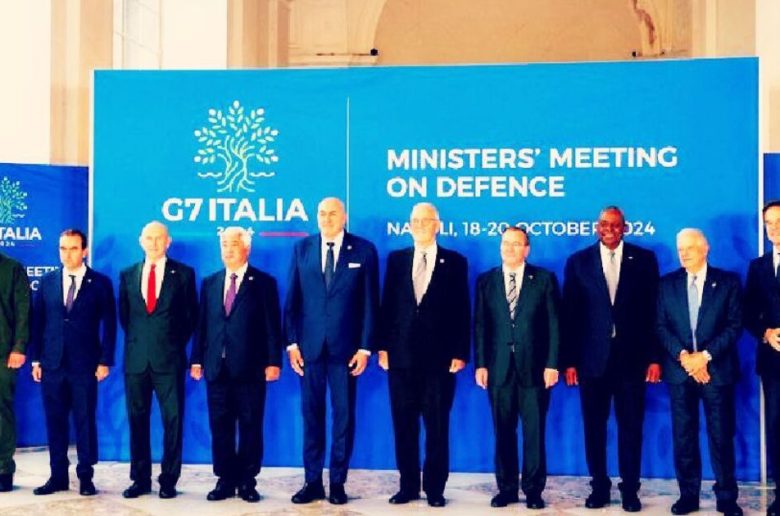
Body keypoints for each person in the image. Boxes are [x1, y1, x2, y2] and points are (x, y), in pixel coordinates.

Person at [562, 205, 660, 511]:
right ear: (597, 227)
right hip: (591, 362)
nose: (609, 229)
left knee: (631, 428)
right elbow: (570, 315)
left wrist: (654, 358)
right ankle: (599, 487)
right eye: (604, 224)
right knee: (594, 428)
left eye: (616, 225)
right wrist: (569, 361)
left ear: (625, 228)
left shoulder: (644, 260)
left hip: (632, 361)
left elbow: (653, 312)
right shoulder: (578, 261)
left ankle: (630, 490)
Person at [284, 197, 379, 505]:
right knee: (311, 417)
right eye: (322, 213)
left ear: (344, 216)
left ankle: (337, 482)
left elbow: (370, 303)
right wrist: (292, 344)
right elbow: (292, 301)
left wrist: (365, 348)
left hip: (346, 351)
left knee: (343, 418)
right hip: (309, 350)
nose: (327, 218)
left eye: (333, 213)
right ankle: (312, 482)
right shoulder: (302, 248)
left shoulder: (364, 250)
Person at [378, 202, 470, 508]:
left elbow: (462, 309)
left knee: (437, 426)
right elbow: (387, 306)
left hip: (439, 360)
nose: (419, 225)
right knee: (403, 426)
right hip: (400, 358)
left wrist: (460, 351)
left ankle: (434, 488)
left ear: (437, 225)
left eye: (426, 220)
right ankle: (407, 486)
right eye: (415, 220)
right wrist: (383, 347)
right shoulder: (396, 260)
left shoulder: (455, 262)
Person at [190, 227, 282, 503]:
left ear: (246, 248)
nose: (228, 250)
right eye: (224, 245)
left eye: (233, 244)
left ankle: (247, 481)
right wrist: (196, 359)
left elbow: (271, 325)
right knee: (220, 426)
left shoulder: (263, 283)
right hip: (216, 368)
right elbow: (202, 325)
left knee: (251, 425)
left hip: (250, 368)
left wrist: (273, 361)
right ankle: (225, 479)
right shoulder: (210, 283)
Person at [657, 228, 742, 516]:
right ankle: (688, 495)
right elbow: (660, 326)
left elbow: (734, 325)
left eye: (690, 248)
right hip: (680, 372)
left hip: (717, 371)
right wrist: (685, 358)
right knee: (684, 437)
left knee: (721, 435)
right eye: (680, 249)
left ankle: (727, 498)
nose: (684, 253)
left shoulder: (728, 282)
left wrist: (704, 358)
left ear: (705, 248)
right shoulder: (666, 284)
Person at [474, 227, 560, 509]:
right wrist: (481, 364)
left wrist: (552, 364)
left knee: (534, 433)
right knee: (503, 431)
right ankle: (507, 489)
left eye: (516, 244)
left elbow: (554, 324)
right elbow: (481, 326)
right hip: (498, 369)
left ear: (527, 249)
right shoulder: (486, 281)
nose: (509, 248)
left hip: (535, 369)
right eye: (505, 243)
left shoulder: (544, 279)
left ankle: (534, 490)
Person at [29, 229, 116, 496]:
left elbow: (110, 325)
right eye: (63, 249)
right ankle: (58, 476)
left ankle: (86, 477)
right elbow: (37, 323)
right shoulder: (47, 282)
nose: (67, 254)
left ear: (84, 251)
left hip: (85, 365)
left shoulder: (100, 283)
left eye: (73, 248)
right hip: (52, 364)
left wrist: (105, 360)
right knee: (55, 421)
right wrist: (36, 360)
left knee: (84, 421)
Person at [118, 221, 198, 499]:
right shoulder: (127, 274)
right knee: (137, 421)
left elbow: (191, 317)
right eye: (149, 238)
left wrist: (171, 343)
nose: (153, 243)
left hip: (170, 360)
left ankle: (168, 480)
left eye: (159, 238)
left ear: (168, 241)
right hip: (136, 360)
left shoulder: (184, 274)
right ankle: (140, 479)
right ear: (141, 241)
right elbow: (126, 317)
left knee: (173, 421)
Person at [744, 201, 780, 516]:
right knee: (777, 428)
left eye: (779, 221)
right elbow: (747, 313)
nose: (774, 228)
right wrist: (766, 333)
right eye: (769, 223)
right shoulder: (758, 267)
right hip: (773, 362)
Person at [0, 251, 30, 492]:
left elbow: (23, 311)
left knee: (1, 413)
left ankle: (3, 469)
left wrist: (19, 347)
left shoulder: (12, 268)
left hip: (3, 355)